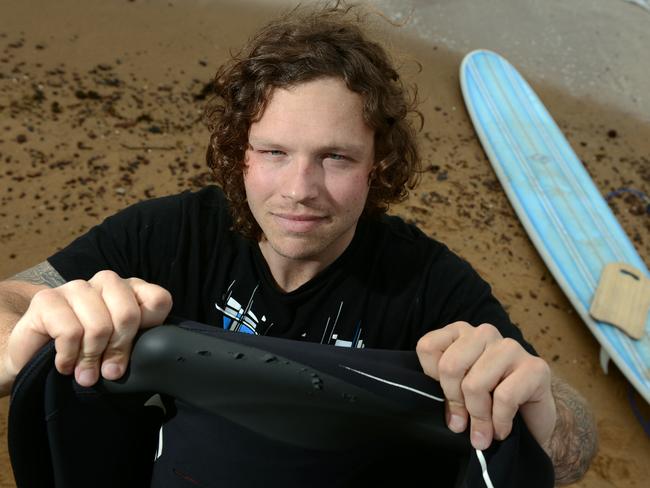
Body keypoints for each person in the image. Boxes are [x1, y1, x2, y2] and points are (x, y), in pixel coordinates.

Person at [0, 2, 596, 485]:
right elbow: (14, 304)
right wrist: (30, 328)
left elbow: (572, 442)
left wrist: (537, 402)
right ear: (240, 154)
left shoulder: (424, 283)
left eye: (335, 157)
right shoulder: (172, 234)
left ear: (379, 165)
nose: (300, 190)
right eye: (275, 153)